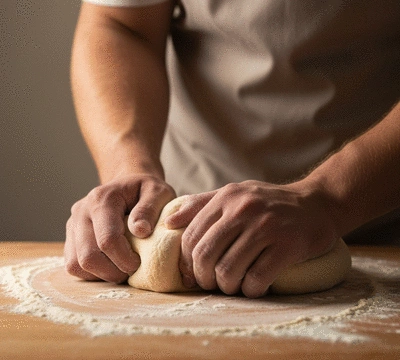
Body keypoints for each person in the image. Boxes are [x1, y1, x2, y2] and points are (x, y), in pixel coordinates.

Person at [65, 0, 400, 298]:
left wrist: (331, 199)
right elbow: (122, 25)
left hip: (384, 216)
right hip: (193, 212)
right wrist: (128, 167)